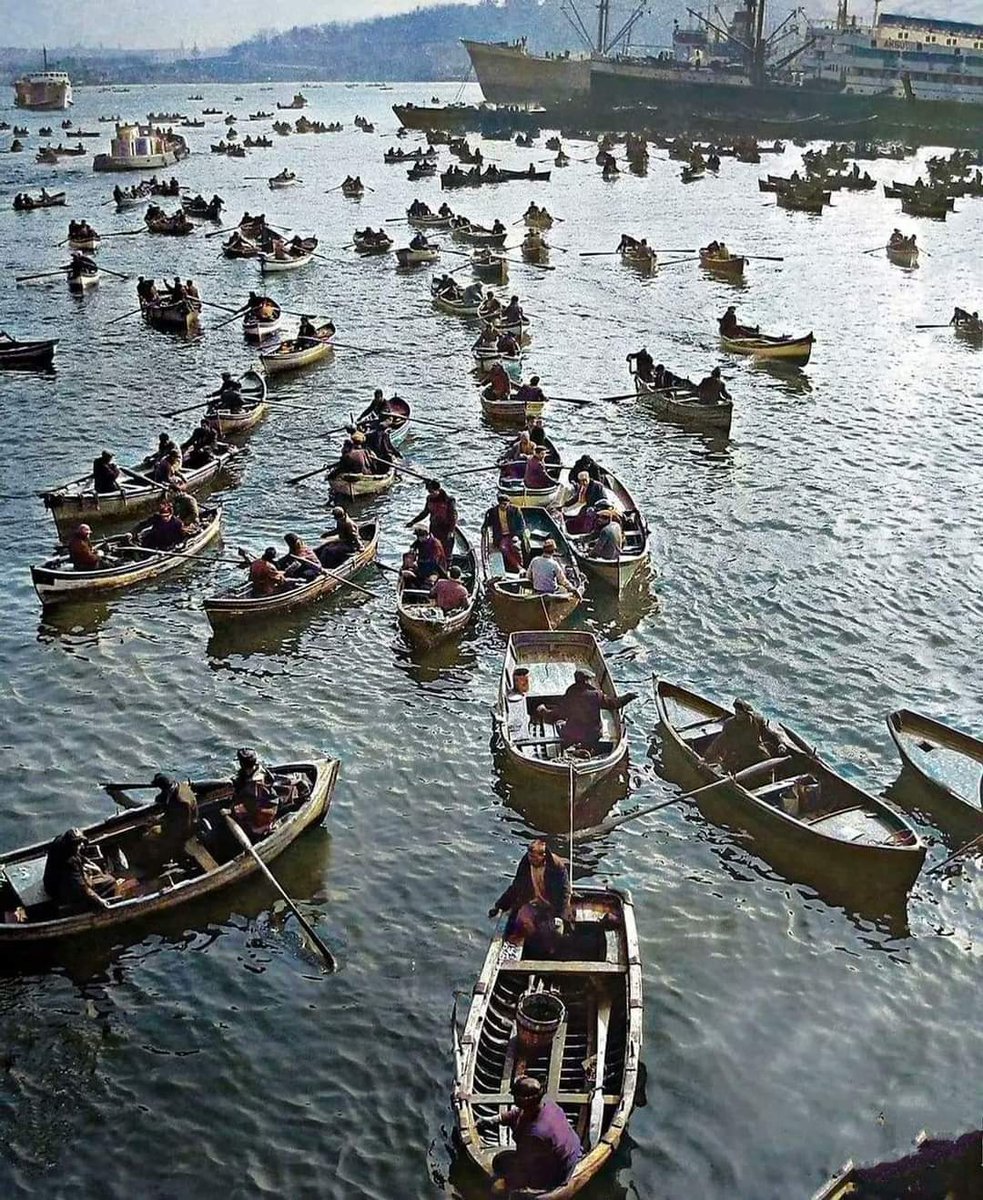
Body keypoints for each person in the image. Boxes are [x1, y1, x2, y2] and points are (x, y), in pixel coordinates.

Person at [483, 1075, 583, 1195]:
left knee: (498, 1181)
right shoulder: (546, 1103)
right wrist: (497, 1119)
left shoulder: (535, 1134)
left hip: (560, 1169)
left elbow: (528, 1166)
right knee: (501, 1160)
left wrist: (507, 1182)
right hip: (572, 1151)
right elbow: (519, 1113)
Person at [489, 839, 571, 951]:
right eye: (530, 856)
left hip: (552, 904)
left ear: (543, 856)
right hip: (534, 901)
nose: (531, 860)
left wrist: (560, 915)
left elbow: (565, 892)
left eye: (535, 857)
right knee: (521, 923)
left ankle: (551, 951)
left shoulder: (557, 867)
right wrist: (499, 906)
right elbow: (516, 887)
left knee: (552, 932)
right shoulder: (526, 863)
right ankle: (530, 946)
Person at [537, 669, 637, 753]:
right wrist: (628, 697)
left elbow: (559, 713)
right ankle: (586, 749)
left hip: (574, 734)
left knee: (560, 724)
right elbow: (614, 704)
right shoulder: (596, 695)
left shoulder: (571, 693)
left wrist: (543, 711)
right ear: (586, 681)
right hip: (593, 735)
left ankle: (574, 747)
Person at [132, 774, 199, 869]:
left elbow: (180, 825)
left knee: (148, 836)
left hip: (184, 830)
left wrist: (158, 821)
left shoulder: (182, 802)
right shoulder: (179, 785)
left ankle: (156, 862)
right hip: (180, 821)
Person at [43, 828, 115, 911]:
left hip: (53, 880)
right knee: (111, 881)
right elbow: (83, 889)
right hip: (59, 891)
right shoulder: (69, 862)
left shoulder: (59, 842)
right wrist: (99, 900)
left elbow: (78, 855)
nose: (81, 846)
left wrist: (91, 864)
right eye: (78, 844)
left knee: (93, 874)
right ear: (72, 845)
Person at [705, 699, 768, 773]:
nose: (737, 716)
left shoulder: (757, 721)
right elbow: (719, 741)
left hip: (754, 752)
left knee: (767, 762)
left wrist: (781, 743)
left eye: (740, 713)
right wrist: (707, 757)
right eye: (736, 712)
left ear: (748, 714)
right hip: (736, 755)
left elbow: (768, 733)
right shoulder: (730, 724)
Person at [231, 748, 280, 838]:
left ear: (242, 764)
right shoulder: (260, 769)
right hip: (269, 803)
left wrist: (232, 810)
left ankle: (260, 830)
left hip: (264, 812)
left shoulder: (253, 784)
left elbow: (252, 805)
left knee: (235, 812)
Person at [407, 479, 457, 559]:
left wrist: (451, 531)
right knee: (434, 550)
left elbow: (453, 516)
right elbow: (425, 512)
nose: (431, 494)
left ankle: (447, 566)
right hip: (435, 528)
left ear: (438, 490)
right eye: (429, 492)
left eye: (432, 492)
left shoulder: (449, 500)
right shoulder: (429, 499)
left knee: (446, 552)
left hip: (446, 530)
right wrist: (413, 522)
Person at [483, 494, 528, 573]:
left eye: (505, 504)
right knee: (504, 548)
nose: (504, 506)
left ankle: (521, 566)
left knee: (516, 547)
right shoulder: (493, 511)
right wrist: (483, 530)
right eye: (502, 504)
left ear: (509, 503)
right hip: (501, 536)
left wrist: (517, 535)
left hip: (513, 534)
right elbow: (486, 523)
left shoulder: (515, 510)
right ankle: (518, 567)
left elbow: (522, 525)